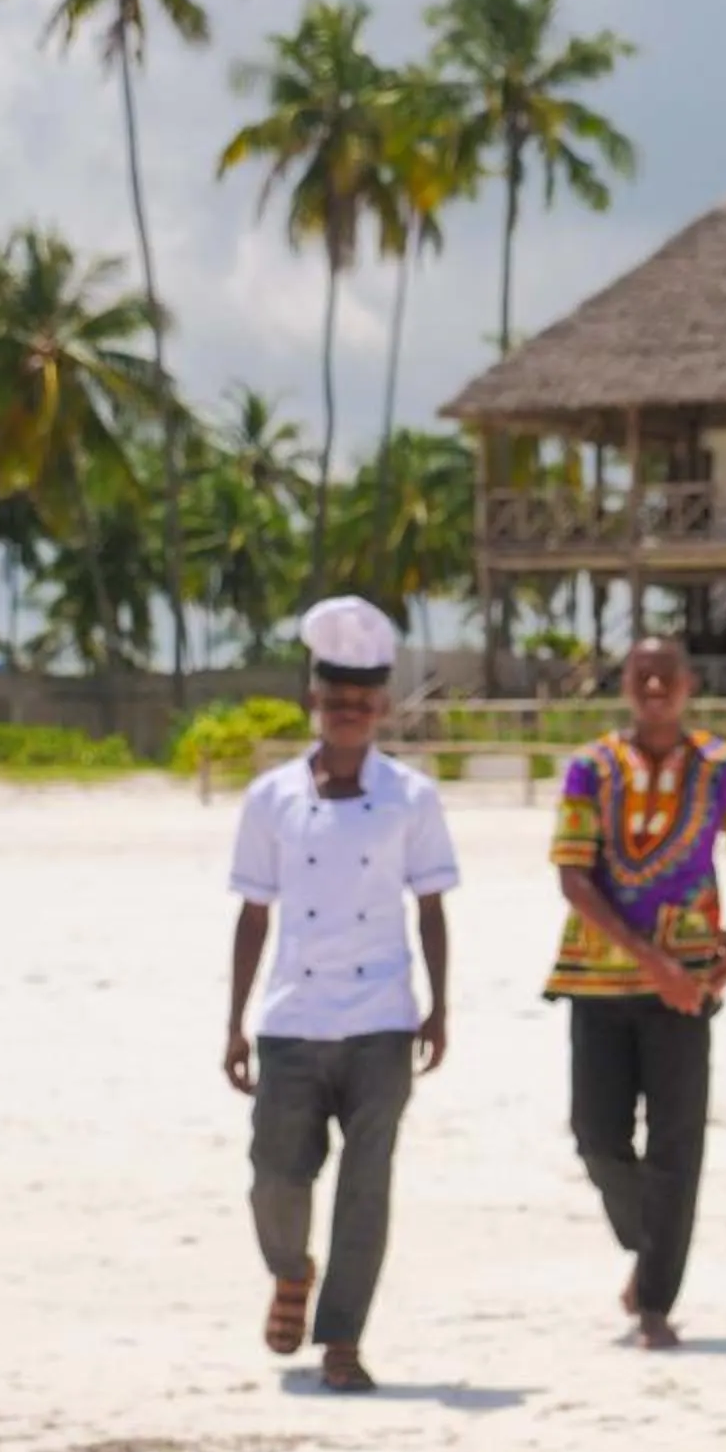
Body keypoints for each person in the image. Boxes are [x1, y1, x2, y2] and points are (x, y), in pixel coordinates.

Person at [225, 596, 457, 1395]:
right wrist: (234, 1023)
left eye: (362, 700)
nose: (349, 712)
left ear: (382, 707)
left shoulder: (413, 798)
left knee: (366, 1187)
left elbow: (432, 906)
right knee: (275, 1177)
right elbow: (254, 913)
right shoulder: (271, 799)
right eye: (336, 699)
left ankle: (342, 1341)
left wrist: (439, 1006)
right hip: (292, 1016)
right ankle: (291, 1270)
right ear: (313, 702)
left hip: (382, 1019)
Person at [544, 634, 726, 1350]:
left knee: (677, 1142)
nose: (654, 689)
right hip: (598, 976)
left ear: (688, 685)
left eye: (666, 677)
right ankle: (651, 1244)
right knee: (597, 1136)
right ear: (624, 683)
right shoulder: (590, 768)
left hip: (690, 979)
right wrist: (653, 963)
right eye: (642, 676)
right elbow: (573, 877)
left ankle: (653, 1302)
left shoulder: (722, 768)